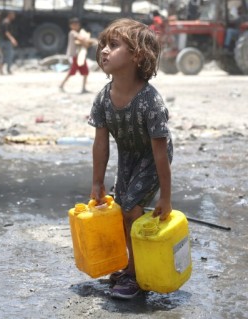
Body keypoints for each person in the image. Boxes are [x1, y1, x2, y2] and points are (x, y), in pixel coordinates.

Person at [88, 18, 173, 300]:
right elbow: (101, 144)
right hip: (128, 155)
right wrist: (97, 183)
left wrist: (166, 197)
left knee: (132, 210)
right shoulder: (103, 98)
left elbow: (160, 151)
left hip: (152, 156)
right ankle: (129, 265)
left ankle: (135, 276)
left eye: (113, 45)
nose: (104, 51)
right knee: (121, 210)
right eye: (103, 45)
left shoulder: (150, 101)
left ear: (137, 56)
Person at [59, 17, 95, 94]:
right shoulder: (72, 33)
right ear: (71, 26)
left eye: (77, 24)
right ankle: (61, 85)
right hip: (75, 55)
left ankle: (83, 88)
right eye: (74, 24)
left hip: (79, 56)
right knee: (72, 71)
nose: (76, 26)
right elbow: (81, 39)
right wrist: (91, 41)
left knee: (85, 71)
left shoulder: (77, 33)